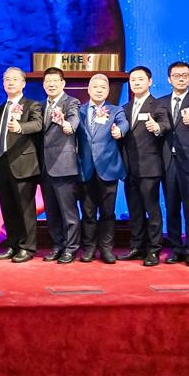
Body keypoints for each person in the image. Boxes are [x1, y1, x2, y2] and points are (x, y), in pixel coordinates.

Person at [159, 61, 189, 266]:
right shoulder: (160, 102)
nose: (181, 78)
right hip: (168, 162)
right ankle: (176, 248)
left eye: (185, 75)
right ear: (169, 79)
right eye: (176, 75)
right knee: (171, 208)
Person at [0, 66, 43, 263]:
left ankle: (27, 247)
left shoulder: (32, 105)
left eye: (14, 79)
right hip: (2, 162)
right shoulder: (1, 107)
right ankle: (13, 245)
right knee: (8, 208)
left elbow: (38, 124)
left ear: (23, 83)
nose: (10, 82)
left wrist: (20, 127)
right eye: (7, 79)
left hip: (23, 163)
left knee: (25, 209)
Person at [77, 74, 128, 264]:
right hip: (85, 169)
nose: (99, 90)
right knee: (88, 213)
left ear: (107, 91)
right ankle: (89, 248)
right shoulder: (79, 111)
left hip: (108, 168)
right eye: (95, 87)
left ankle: (106, 248)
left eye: (103, 87)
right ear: (89, 90)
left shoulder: (115, 110)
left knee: (108, 213)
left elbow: (124, 123)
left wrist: (119, 130)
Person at [121, 66, 169, 266]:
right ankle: (137, 247)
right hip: (129, 168)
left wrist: (157, 128)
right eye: (133, 79)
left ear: (149, 81)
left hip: (150, 167)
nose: (136, 82)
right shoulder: (125, 108)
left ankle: (154, 249)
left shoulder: (158, 105)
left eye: (140, 79)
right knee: (135, 210)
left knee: (152, 210)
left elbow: (165, 125)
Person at [37, 67, 81, 263]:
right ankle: (58, 245)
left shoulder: (71, 102)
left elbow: (73, 120)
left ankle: (71, 248)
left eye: (55, 81)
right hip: (45, 167)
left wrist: (67, 125)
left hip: (64, 166)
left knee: (68, 212)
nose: (51, 84)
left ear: (63, 83)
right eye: (48, 81)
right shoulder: (41, 105)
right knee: (52, 211)